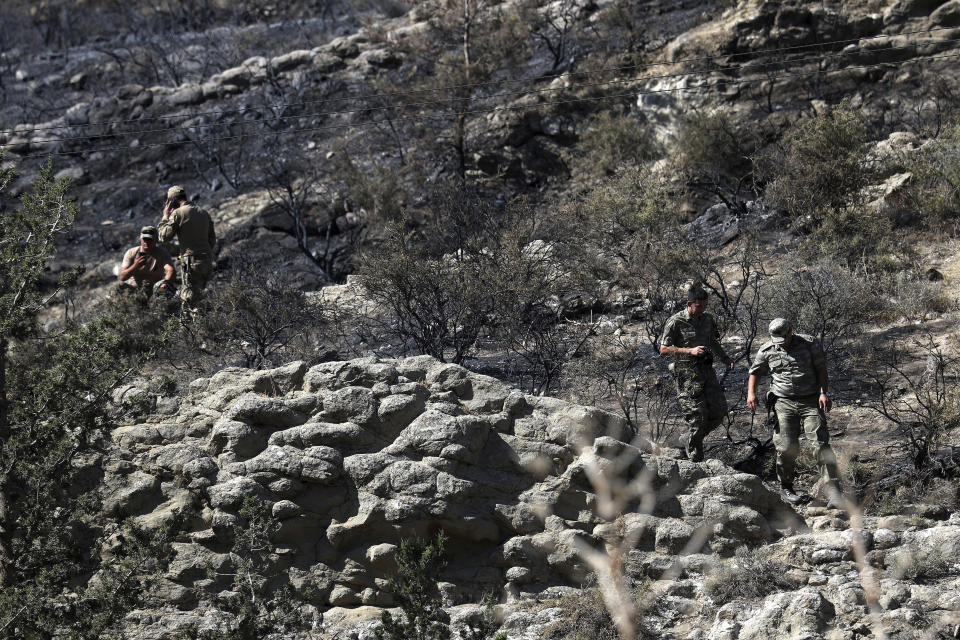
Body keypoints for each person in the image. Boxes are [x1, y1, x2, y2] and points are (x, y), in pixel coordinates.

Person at [747, 318, 842, 508]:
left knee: (820, 444)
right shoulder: (767, 350)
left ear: (791, 331)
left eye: (784, 338)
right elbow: (755, 372)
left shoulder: (809, 343)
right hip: (783, 402)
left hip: (811, 400)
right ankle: (786, 488)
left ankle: (835, 491)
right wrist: (751, 394)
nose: (781, 344)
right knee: (786, 446)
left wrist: (824, 392)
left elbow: (821, 368)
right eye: (777, 340)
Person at [659, 284, 735, 462]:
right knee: (698, 419)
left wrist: (725, 358)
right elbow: (663, 349)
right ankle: (696, 462)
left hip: (707, 371)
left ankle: (689, 438)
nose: (703, 309)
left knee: (719, 411)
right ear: (689, 303)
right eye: (699, 306)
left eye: (705, 306)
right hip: (687, 375)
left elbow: (712, 340)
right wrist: (689, 351)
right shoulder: (676, 321)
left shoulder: (707, 318)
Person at [158, 185, 216, 316]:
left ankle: (196, 333)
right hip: (207, 261)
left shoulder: (178, 213)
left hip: (192, 263)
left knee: (191, 302)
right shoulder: (203, 212)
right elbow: (212, 240)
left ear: (172, 200)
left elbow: (163, 236)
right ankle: (206, 328)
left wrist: (165, 216)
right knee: (200, 298)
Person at [118, 226, 176, 300]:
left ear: (156, 240)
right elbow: (123, 277)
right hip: (134, 290)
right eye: (144, 239)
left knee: (167, 292)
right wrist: (136, 265)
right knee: (118, 289)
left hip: (154, 291)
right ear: (141, 239)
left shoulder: (162, 254)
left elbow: (170, 270)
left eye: (150, 239)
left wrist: (165, 283)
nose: (146, 242)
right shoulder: (131, 253)